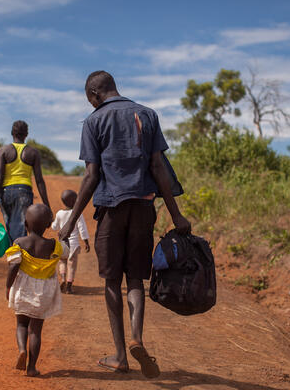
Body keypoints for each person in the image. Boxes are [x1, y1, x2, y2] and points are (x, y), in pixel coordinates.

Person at [58, 71, 191, 378]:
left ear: (94, 93)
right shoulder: (147, 114)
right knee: (135, 279)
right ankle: (137, 338)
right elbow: (158, 167)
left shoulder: (93, 122)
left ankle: (120, 355)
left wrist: (72, 220)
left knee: (110, 281)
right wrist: (176, 215)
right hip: (144, 207)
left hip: (112, 209)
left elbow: (91, 176)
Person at [5, 203, 69, 377]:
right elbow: (66, 253)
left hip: (23, 290)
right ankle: (32, 367)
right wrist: (65, 238)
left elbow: (13, 266)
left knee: (21, 324)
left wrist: (8, 286)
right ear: (49, 225)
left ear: (26, 224)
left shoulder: (19, 243)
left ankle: (21, 350)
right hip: (44, 293)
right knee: (35, 331)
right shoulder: (54, 246)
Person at [0, 120, 51, 242]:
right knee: (21, 230)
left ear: (12, 133)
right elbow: (39, 181)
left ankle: (15, 258)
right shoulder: (33, 152)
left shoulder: (4, 150)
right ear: (26, 134)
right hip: (24, 193)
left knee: (11, 229)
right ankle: (18, 259)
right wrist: (47, 206)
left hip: (5, 194)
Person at [51, 189, 90, 294]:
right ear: (74, 201)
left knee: (62, 262)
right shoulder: (77, 214)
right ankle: (69, 286)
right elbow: (82, 229)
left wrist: (52, 220)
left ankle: (63, 278)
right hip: (73, 244)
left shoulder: (59, 213)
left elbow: (54, 227)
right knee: (71, 265)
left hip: (62, 244)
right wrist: (86, 242)